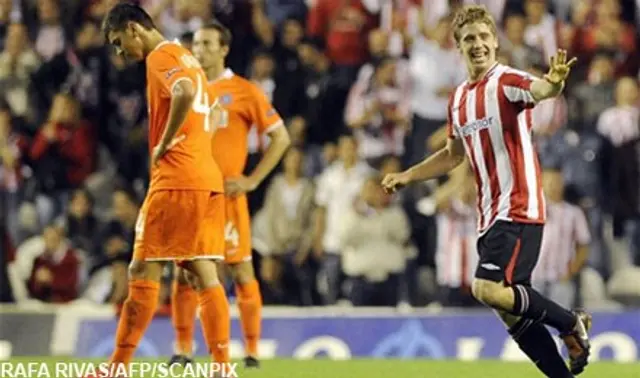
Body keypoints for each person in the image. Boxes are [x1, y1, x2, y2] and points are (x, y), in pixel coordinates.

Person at [382, 5, 591, 378]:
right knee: (509, 308)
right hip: (489, 212)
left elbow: (542, 89)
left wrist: (555, 82)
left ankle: (570, 322)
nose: (477, 44)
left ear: (495, 41)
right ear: (458, 48)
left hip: (519, 206)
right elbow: (451, 156)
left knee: (486, 288)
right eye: (468, 39)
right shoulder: (459, 98)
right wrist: (408, 176)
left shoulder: (507, 81)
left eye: (482, 37)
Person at [100, 3, 230, 371]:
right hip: (206, 177)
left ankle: (117, 367)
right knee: (201, 271)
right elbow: (212, 108)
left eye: (118, 41)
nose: (120, 51)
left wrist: (164, 141)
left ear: (133, 28)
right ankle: (222, 366)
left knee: (141, 271)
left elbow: (185, 92)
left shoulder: (162, 55)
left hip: (177, 181)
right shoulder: (187, 56)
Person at [168, 21, 290, 368]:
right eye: (195, 43)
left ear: (224, 49)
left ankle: (251, 351)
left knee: (240, 272)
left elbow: (281, 138)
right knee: (184, 273)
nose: (199, 49)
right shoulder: (184, 89)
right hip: (190, 197)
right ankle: (183, 349)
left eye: (207, 43)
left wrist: (252, 180)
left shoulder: (244, 91)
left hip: (226, 198)